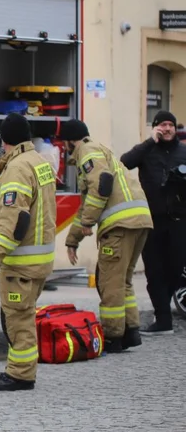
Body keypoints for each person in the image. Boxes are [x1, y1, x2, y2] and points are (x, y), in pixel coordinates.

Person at [59, 119, 152, 351]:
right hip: (139, 220)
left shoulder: (87, 152)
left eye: (64, 143)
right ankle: (131, 332)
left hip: (120, 226)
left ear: (71, 140)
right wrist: (73, 241)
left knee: (109, 282)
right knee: (124, 281)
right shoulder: (100, 149)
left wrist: (89, 222)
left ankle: (113, 337)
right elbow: (87, 204)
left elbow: (102, 184)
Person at [0, 113, 57, 391]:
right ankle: (18, 369)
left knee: (19, 318)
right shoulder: (40, 162)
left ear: (4, 140)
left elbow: (14, 218)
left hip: (21, 261)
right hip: (39, 260)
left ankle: (21, 374)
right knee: (24, 314)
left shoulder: (16, 167)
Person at [120, 110, 186, 334]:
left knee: (176, 269)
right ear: (156, 127)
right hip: (152, 221)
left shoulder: (184, 151)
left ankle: (164, 309)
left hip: (179, 220)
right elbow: (124, 163)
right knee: (155, 271)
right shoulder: (147, 151)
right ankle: (163, 319)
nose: (167, 128)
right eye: (162, 125)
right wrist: (149, 141)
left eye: (171, 125)